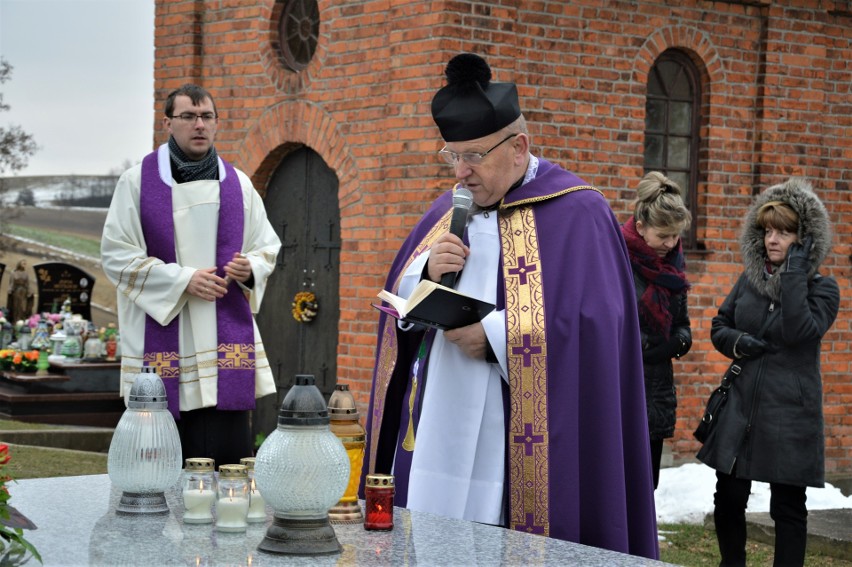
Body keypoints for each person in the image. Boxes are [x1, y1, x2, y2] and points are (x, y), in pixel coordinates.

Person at [361, 53, 658, 559]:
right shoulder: (446, 210)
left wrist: (499, 337)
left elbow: (600, 327)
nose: (461, 172)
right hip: (439, 426)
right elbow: (399, 306)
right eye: (451, 156)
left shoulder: (580, 212)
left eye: (473, 156)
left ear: (518, 147)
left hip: (524, 434)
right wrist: (428, 274)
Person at [101, 84, 281, 467]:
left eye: (206, 117)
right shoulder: (136, 183)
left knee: (228, 454)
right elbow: (117, 255)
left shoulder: (239, 185)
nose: (198, 125)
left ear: (216, 123)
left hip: (224, 337)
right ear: (167, 122)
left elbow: (266, 246)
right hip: (164, 328)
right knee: (162, 459)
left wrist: (251, 268)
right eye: (188, 117)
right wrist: (183, 280)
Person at [697, 178, 839, 567]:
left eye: (784, 231)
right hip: (742, 406)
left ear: (804, 238)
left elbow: (800, 332)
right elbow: (719, 325)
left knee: (788, 508)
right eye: (768, 230)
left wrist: (794, 274)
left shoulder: (824, 290)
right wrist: (740, 342)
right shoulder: (749, 280)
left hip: (790, 412)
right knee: (727, 497)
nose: (772, 239)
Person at [621, 172, 692, 490]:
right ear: (640, 227)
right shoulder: (615, 259)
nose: (670, 244)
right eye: (663, 235)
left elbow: (682, 326)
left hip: (656, 394)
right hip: (620, 386)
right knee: (615, 484)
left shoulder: (673, 269)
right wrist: (643, 344)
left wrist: (675, 344)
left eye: (675, 236)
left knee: (646, 487)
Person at [6, 259, 33, 324]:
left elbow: (27, 284)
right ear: (19, 264)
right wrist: (10, 290)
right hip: (16, 292)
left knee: (22, 307)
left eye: (25, 264)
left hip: (23, 292)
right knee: (16, 306)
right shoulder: (14, 273)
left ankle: (21, 320)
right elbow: (11, 283)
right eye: (23, 263)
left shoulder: (25, 274)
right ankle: (14, 320)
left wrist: (30, 291)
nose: (24, 265)